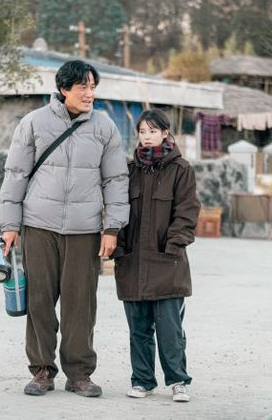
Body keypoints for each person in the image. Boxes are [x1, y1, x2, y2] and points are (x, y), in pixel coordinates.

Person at [0, 60, 129, 397]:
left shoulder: (105, 127)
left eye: (93, 87)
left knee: (80, 304)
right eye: (83, 87)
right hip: (39, 225)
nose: (89, 94)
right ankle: (42, 370)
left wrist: (112, 227)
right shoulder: (33, 123)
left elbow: (116, 180)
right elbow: (15, 175)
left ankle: (79, 374)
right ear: (64, 88)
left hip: (85, 230)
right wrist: (9, 225)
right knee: (39, 300)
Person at [112, 108, 201, 402]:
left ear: (165, 133)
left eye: (152, 131)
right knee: (138, 328)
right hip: (133, 261)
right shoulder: (129, 170)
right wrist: (118, 246)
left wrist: (174, 245)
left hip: (167, 261)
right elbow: (117, 209)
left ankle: (178, 381)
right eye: (142, 131)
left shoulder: (181, 169)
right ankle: (142, 380)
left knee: (169, 328)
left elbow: (187, 211)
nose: (147, 137)